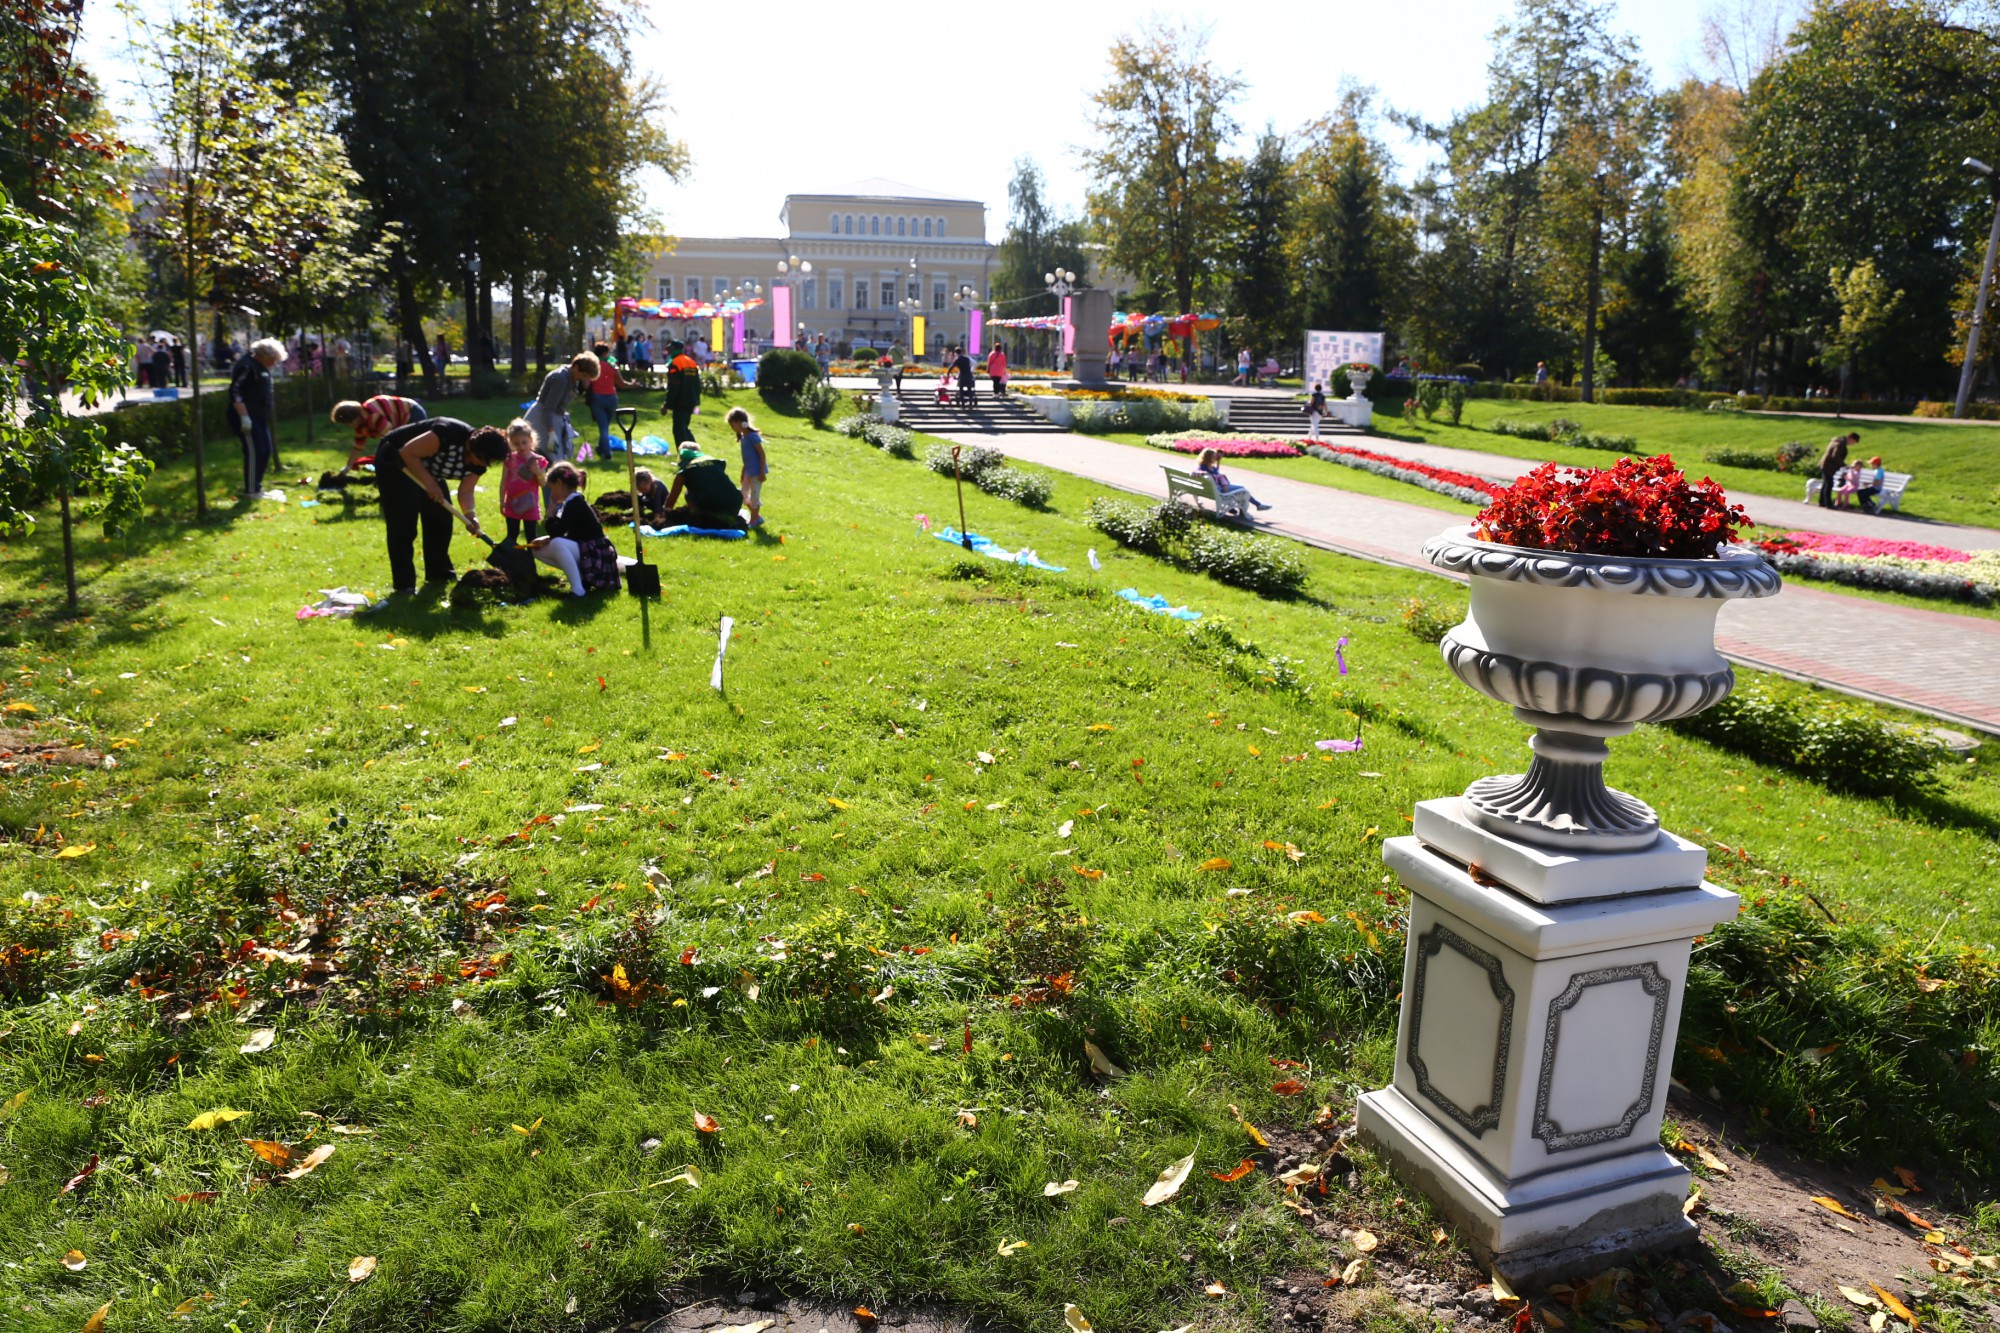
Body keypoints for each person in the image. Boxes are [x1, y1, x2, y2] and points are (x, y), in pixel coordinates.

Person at [373, 416, 508, 594]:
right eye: (481, 459)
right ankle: (404, 585)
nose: (481, 465)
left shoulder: (480, 461)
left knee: (441, 520)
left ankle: (439, 574)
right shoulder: (447, 433)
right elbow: (408, 453)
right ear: (472, 447)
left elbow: (466, 491)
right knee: (403, 523)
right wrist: (430, 483)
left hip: (427, 470)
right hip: (395, 461)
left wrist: (470, 515)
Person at [530, 463, 622, 596]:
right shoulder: (571, 502)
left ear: (559, 483)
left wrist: (550, 516)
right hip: (586, 549)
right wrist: (547, 538)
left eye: (551, 487)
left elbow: (558, 532)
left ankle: (578, 590)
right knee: (536, 549)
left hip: (596, 553)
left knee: (557, 544)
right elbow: (567, 532)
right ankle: (581, 580)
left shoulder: (575, 502)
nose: (550, 492)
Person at [230, 338, 283, 498]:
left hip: (259, 417)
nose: (274, 364)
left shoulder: (260, 366)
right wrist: (244, 417)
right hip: (247, 416)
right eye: (272, 360)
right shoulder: (247, 367)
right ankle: (251, 490)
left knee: (265, 450)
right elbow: (235, 391)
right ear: (262, 356)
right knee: (254, 451)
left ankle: (257, 487)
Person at [525, 352, 598, 465]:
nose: (583, 379)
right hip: (543, 419)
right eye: (583, 375)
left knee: (556, 459)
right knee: (551, 460)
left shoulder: (572, 378)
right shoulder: (561, 379)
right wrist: (551, 433)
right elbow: (548, 408)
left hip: (555, 418)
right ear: (576, 367)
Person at [331, 393, 427, 470]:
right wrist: (347, 468)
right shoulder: (361, 422)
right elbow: (357, 447)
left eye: (346, 423)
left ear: (352, 419)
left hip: (411, 412)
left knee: (411, 448)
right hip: (399, 421)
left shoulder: (372, 417)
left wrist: (380, 458)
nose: (347, 426)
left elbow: (390, 436)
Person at [583, 341, 644, 458]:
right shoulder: (612, 364)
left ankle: (606, 452)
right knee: (605, 426)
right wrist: (633, 384)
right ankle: (601, 449)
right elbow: (621, 383)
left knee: (603, 427)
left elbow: (586, 385)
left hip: (597, 398)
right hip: (612, 398)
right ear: (606, 352)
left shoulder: (593, 366)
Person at [662, 444, 745, 529]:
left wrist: (664, 515)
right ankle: (728, 517)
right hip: (735, 502)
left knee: (688, 494)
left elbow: (672, 498)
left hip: (713, 505)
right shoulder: (713, 461)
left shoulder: (685, 472)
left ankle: (700, 517)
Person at [500, 419, 547, 546]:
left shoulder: (538, 460)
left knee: (531, 536)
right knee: (512, 535)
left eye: (524, 442)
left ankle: (529, 562)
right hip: (512, 503)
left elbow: (543, 484)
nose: (521, 446)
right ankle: (510, 561)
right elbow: (503, 482)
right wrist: (502, 501)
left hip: (530, 505)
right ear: (510, 443)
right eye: (516, 444)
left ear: (531, 440)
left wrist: (538, 472)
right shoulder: (509, 459)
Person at [1193, 447, 1271, 516]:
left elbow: (1216, 474)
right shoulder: (1203, 468)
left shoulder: (1209, 467)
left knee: (1238, 491)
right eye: (1214, 457)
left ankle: (1235, 507)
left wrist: (1218, 463)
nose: (1215, 458)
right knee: (1242, 490)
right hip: (1219, 490)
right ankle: (1257, 505)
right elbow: (1195, 472)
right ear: (1208, 458)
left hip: (1214, 490)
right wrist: (1203, 473)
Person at [729, 407, 768, 528]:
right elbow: (747, 458)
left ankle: (754, 519)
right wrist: (743, 472)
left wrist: (762, 472)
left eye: (733, 425)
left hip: (757, 473)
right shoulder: (744, 438)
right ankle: (757, 517)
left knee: (754, 496)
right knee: (743, 495)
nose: (732, 428)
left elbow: (761, 454)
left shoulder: (752, 437)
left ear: (739, 422)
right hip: (748, 472)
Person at [662, 341, 702, 444]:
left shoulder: (675, 363)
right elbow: (697, 384)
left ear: (674, 349)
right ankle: (694, 451)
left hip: (680, 402)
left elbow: (673, 386)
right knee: (684, 427)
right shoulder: (691, 362)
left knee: (679, 430)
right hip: (691, 400)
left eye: (670, 348)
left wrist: (667, 405)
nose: (668, 351)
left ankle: (685, 455)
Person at [1816, 432, 1851, 510]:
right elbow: (1835, 456)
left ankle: (1822, 502)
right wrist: (1843, 465)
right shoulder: (1840, 445)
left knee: (1826, 484)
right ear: (1851, 438)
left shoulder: (1836, 442)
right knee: (1829, 485)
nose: (1852, 444)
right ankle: (1828, 504)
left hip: (1825, 465)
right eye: (1853, 442)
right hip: (1829, 466)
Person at [951, 344, 976, 408]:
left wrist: (948, 374)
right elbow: (970, 366)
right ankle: (970, 403)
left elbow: (952, 367)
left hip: (962, 376)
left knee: (961, 390)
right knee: (970, 390)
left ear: (956, 353)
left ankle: (962, 404)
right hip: (969, 375)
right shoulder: (966, 359)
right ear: (961, 352)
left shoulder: (958, 359)